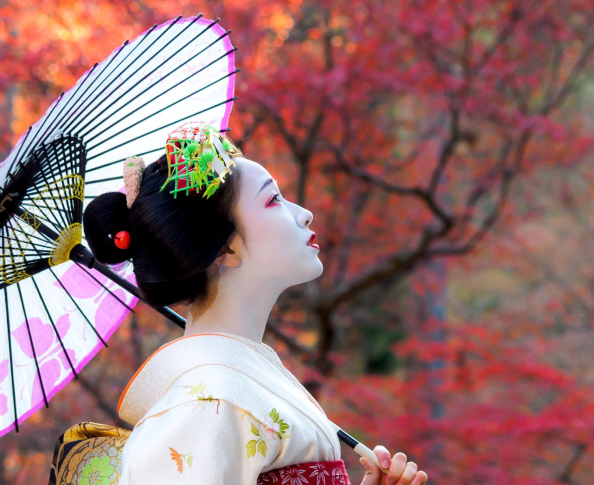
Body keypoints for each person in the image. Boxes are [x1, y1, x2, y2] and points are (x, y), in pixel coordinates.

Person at [82, 121, 428, 485]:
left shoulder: (233, 384)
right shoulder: (207, 403)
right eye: (273, 199)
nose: (303, 213)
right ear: (226, 248)